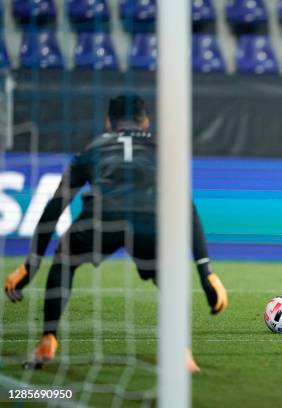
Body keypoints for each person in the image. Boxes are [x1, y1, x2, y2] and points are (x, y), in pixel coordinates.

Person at [4, 94, 227, 370]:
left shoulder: (92, 149)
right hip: (150, 222)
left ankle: (48, 338)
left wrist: (31, 264)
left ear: (108, 122)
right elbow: (186, 206)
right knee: (168, 276)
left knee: (66, 253)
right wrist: (206, 271)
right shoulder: (164, 149)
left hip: (101, 218)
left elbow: (55, 205)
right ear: (146, 120)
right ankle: (181, 352)